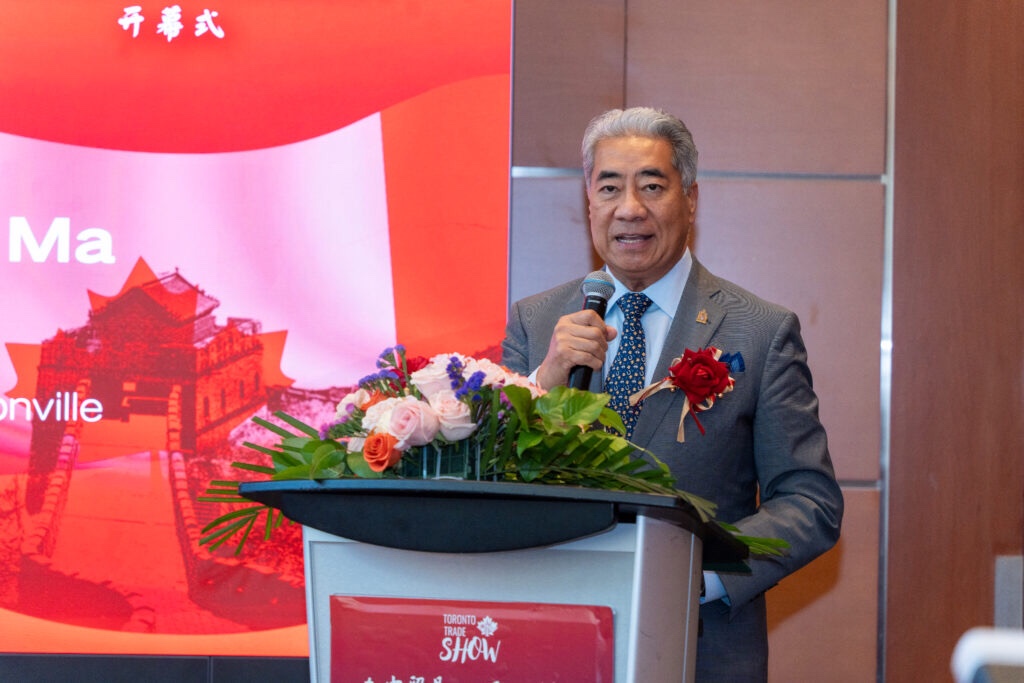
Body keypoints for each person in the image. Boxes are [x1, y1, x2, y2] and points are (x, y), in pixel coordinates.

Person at [501, 107, 843, 681]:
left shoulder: (759, 332)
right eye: (609, 187)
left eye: (652, 186)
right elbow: (490, 476)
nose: (629, 208)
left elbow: (811, 502)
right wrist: (546, 377)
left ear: (690, 199)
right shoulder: (537, 323)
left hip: (702, 646)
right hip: (555, 642)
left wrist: (698, 577)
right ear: (589, 202)